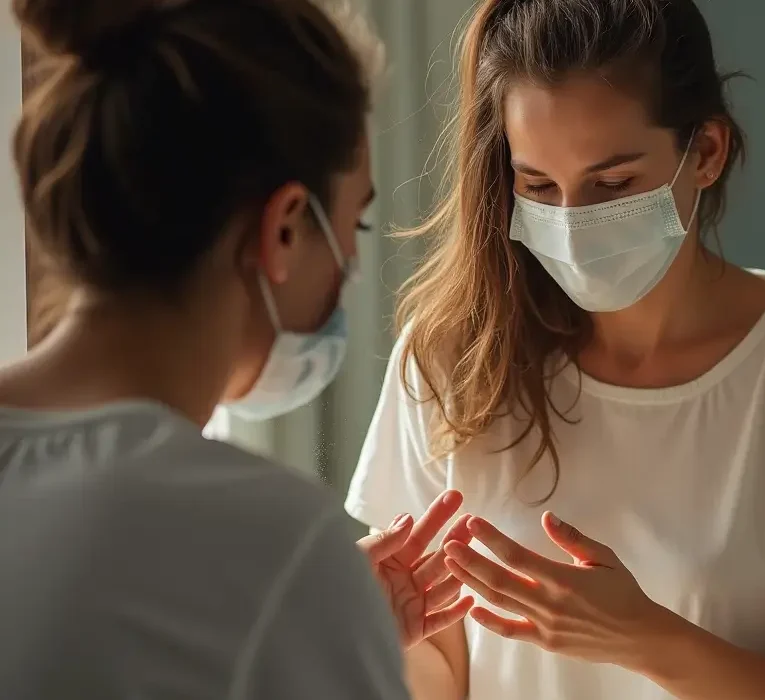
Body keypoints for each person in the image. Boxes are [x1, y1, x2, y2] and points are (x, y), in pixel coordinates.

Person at [345, 0, 765, 698]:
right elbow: (441, 669)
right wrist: (365, 637)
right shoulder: (452, 358)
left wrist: (645, 640)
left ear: (707, 153)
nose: (570, 223)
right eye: (537, 185)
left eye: (613, 184)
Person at [0, 1, 470, 698]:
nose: (348, 265)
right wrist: (305, 610)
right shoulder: (269, 548)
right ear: (283, 229)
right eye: (356, 224)